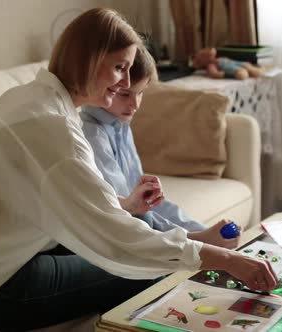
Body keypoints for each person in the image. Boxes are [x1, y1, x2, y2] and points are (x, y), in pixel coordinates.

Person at [0, 8, 277, 332]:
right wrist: (225, 258)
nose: (124, 81)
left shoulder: (30, 98)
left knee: (148, 230)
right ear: (87, 59)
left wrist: (126, 205)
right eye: (119, 67)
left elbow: (68, 199)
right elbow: (115, 238)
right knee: (154, 265)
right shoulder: (51, 127)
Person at [81, 45, 241, 249]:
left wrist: (199, 229)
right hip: (114, 236)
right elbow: (127, 212)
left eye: (140, 93)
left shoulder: (120, 125)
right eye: (125, 94)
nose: (136, 104)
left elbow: (149, 203)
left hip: (137, 221)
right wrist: (195, 238)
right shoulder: (93, 136)